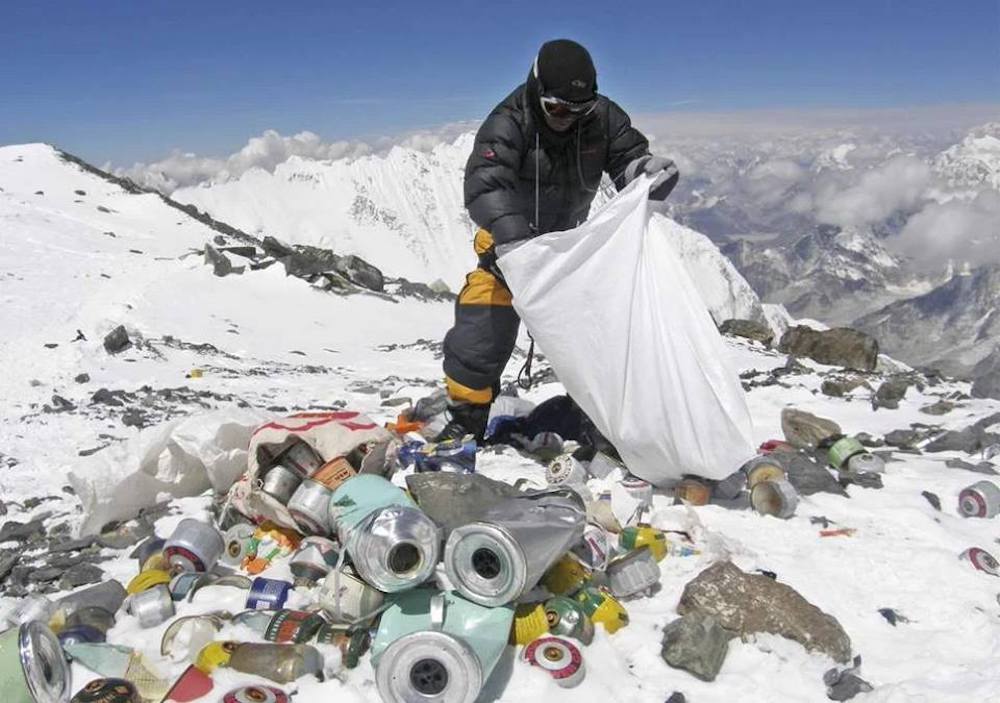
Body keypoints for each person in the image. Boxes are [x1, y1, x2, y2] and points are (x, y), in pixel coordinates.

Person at [437, 38, 679, 442]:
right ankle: (467, 418)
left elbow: (627, 159)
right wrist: (514, 242)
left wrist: (646, 171)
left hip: (569, 252)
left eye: (578, 109)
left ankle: (602, 420)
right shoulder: (508, 123)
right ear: (536, 90)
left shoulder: (603, 118)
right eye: (557, 108)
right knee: (482, 330)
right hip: (507, 252)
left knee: (602, 334)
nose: (567, 117)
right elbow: (485, 185)